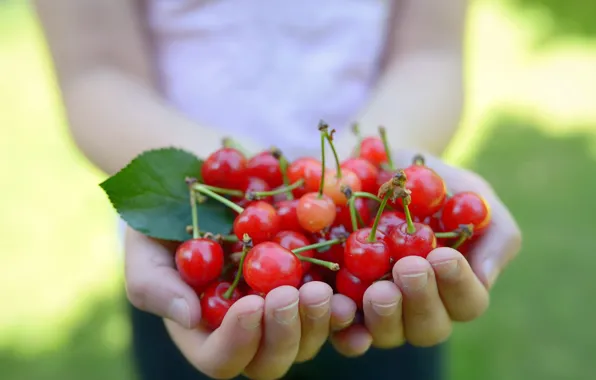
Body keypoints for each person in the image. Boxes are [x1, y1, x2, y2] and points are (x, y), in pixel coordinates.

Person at [34, 0, 522, 379]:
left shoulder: (388, 241)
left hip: (389, 296)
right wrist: (221, 191)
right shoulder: (208, 252)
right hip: (194, 263)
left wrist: (370, 161)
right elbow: (96, 71)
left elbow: (429, 53)